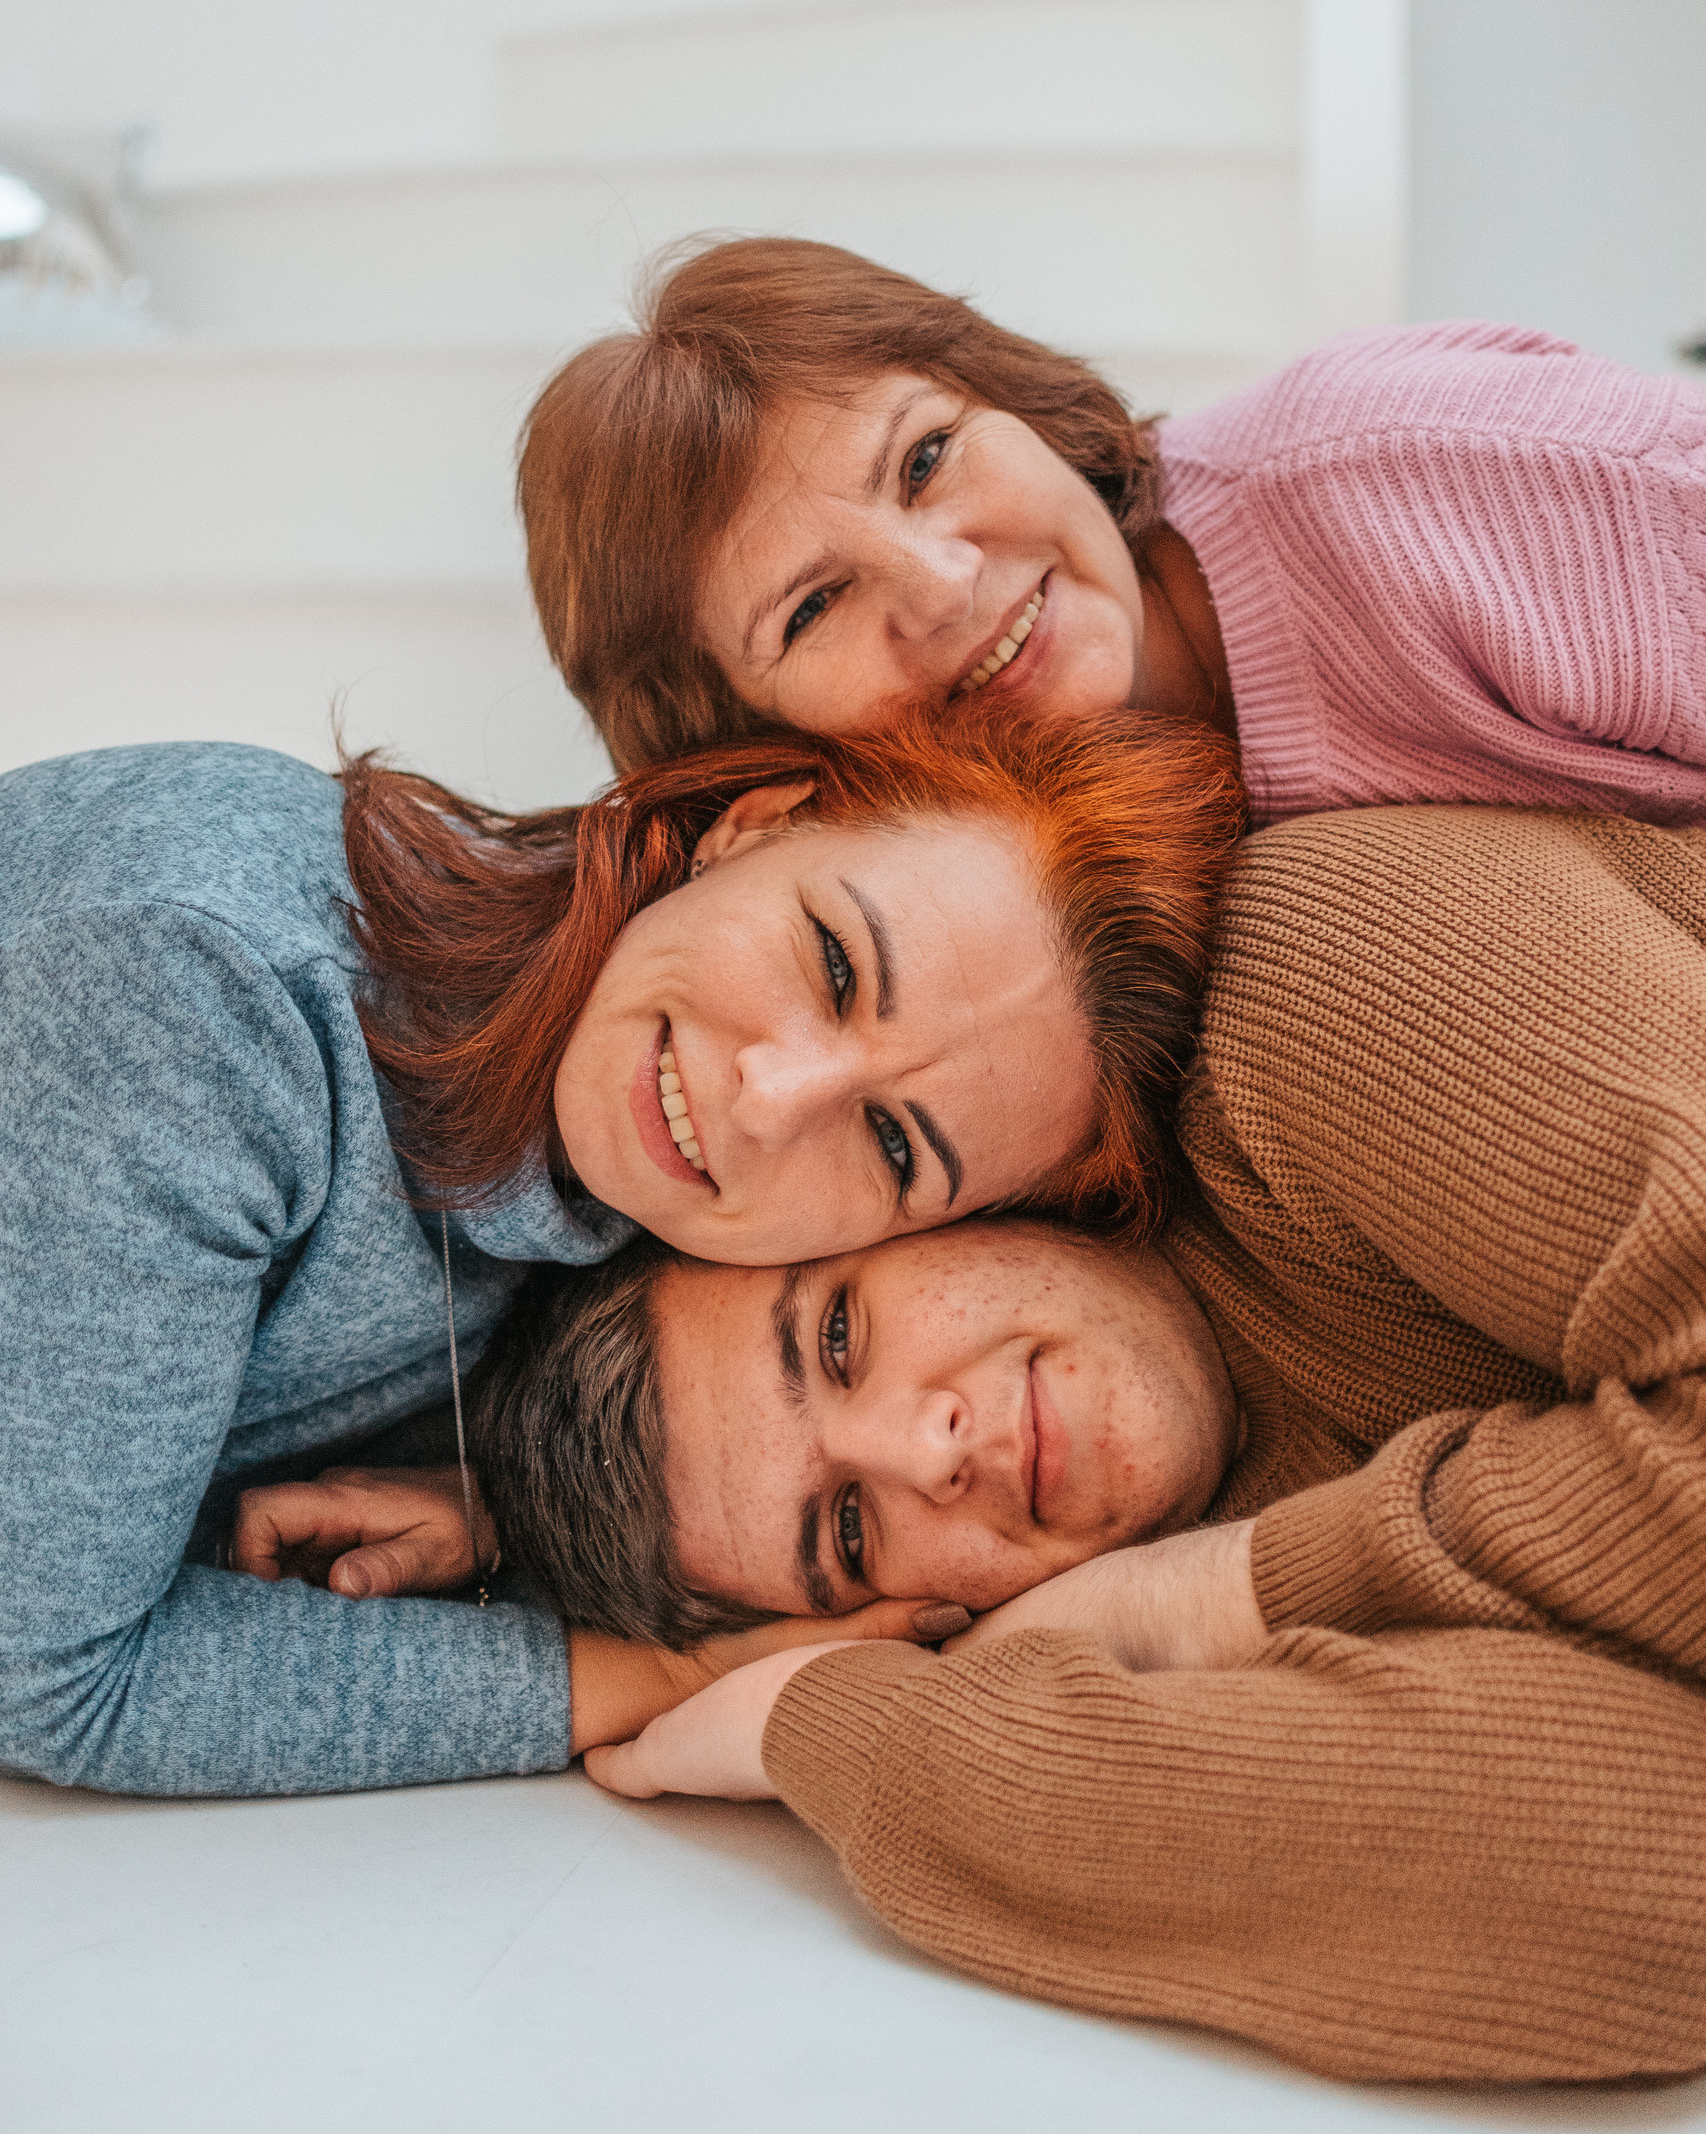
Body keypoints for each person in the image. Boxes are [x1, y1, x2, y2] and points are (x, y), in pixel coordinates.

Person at [310, 799, 1706, 2085]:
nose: (927, 1452)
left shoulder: (1312, 983)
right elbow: (1663, 1894)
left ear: (930, 1205)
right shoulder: (1151, 1628)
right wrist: (842, 1728)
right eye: (848, 1532)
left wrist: (1200, 1596)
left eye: (840, 1335)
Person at [0, 706, 1240, 1799]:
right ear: (753, 825)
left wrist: (499, 1503)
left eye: (891, 1144)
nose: (767, 1099)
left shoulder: (601, 1210)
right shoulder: (211, 1000)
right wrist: (659, 1674)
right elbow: (48, 1677)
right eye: (831, 961)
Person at [518, 236, 1706, 821]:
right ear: (745, 743)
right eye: (811, 606)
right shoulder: (1007, 890)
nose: (939, 585)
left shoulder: (1402, 469)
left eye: (924, 459)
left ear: (1017, 403)